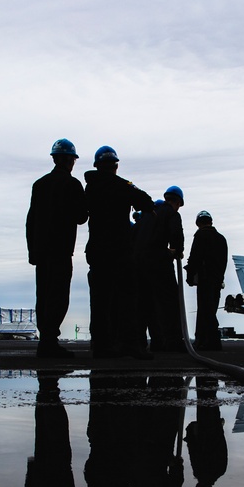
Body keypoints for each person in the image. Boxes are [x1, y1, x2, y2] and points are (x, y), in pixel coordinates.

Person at [84, 146, 154, 358]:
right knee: (127, 299)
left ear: (97, 166)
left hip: (97, 251)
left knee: (99, 300)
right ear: (115, 166)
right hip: (120, 252)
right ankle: (130, 344)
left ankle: (100, 345)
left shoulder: (90, 187)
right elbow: (146, 201)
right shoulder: (122, 186)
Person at [25, 138, 88, 358]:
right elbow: (81, 217)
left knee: (43, 295)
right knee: (58, 296)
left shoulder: (39, 185)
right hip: (61, 250)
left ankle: (46, 340)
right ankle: (50, 341)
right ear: (70, 160)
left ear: (54, 159)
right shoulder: (72, 185)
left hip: (41, 251)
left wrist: (31, 251)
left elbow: (31, 219)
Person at [132, 186, 186, 353]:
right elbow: (176, 234)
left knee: (144, 304)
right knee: (169, 302)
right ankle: (173, 342)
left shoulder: (148, 215)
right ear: (177, 201)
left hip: (139, 263)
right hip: (159, 263)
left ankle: (142, 343)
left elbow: (137, 236)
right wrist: (177, 250)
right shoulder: (171, 213)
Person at [184, 210, 228, 351]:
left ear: (198, 223)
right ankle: (208, 340)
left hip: (205, 279)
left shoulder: (200, 236)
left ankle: (208, 341)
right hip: (216, 281)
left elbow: (195, 257)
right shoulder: (221, 239)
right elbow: (223, 262)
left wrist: (190, 276)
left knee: (204, 309)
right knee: (211, 309)